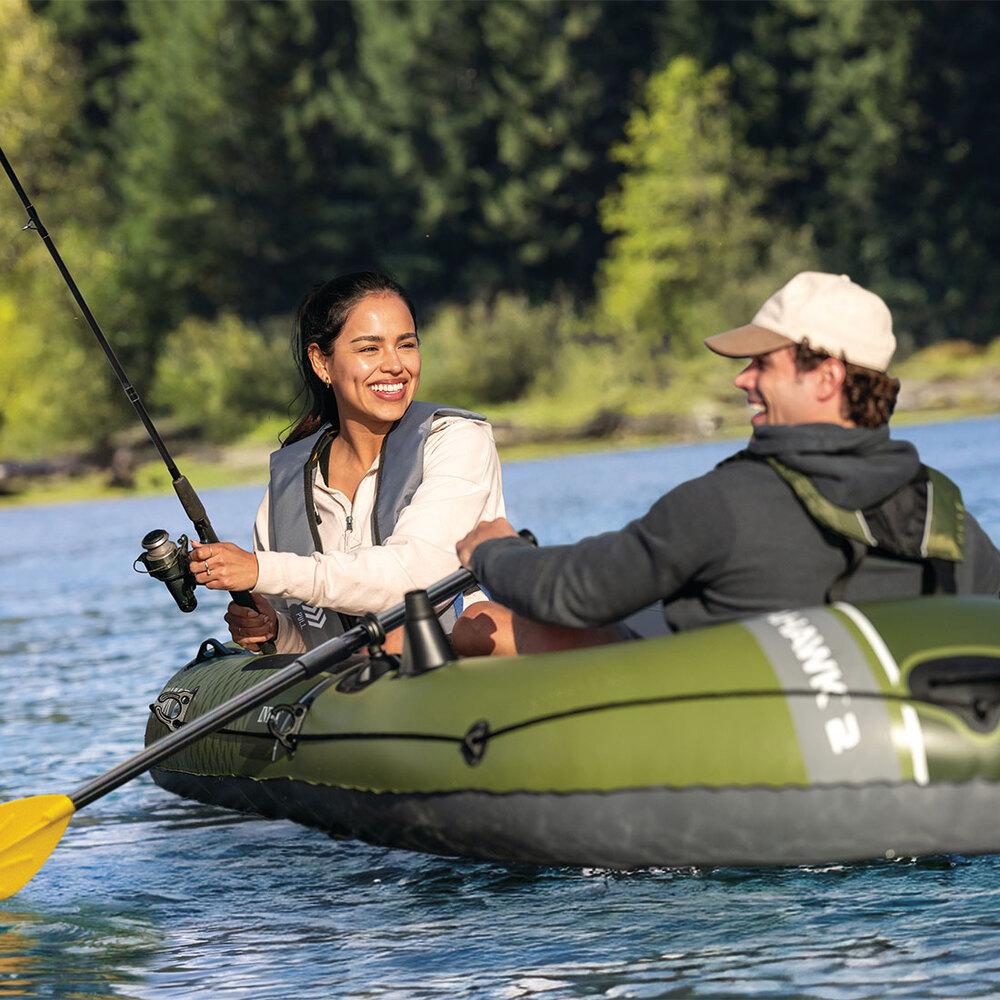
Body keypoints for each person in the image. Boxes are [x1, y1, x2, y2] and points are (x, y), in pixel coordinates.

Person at [452, 271, 1000, 657]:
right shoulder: (944, 508)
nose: (742, 379)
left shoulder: (729, 502)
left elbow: (572, 591)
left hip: (741, 748)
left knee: (486, 629)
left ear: (828, 378)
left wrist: (494, 551)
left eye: (763, 363)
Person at [188, 271, 505, 654]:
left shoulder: (456, 440)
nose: (394, 365)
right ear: (322, 363)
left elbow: (410, 580)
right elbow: (311, 642)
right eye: (370, 349)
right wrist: (274, 629)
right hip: (354, 697)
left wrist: (262, 570)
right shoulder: (288, 486)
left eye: (406, 345)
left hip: (458, 675)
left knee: (402, 636)